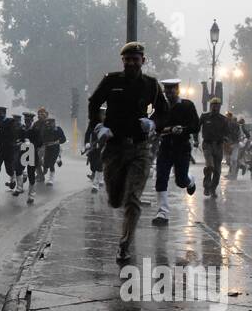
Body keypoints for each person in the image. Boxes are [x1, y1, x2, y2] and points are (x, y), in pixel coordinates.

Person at [87, 42, 170, 262]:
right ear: (122, 61)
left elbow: (163, 111)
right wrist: (98, 126)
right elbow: (94, 102)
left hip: (139, 148)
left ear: (143, 60)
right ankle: (120, 209)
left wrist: (153, 124)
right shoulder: (111, 81)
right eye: (127, 59)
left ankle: (125, 243)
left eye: (136, 59)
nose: (131, 63)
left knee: (133, 198)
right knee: (115, 199)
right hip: (114, 147)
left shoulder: (151, 85)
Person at [152, 79, 199, 225]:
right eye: (167, 89)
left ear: (177, 90)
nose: (169, 92)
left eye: (172, 89)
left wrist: (183, 129)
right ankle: (162, 212)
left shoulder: (187, 105)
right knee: (161, 177)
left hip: (182, 148)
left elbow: (195, 126)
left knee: (180, 181)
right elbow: (155, 125)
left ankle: (190, 181)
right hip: (165, 147)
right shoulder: (161, 107)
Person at [0, 106, 19, 202]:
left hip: (9, 150)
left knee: (9, 170)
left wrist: (0, 131)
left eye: (0, 113)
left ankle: (12, 178)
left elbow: (12, 135)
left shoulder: (11, 122)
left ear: (4, 113)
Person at [199, 97, 228, 198]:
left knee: (217, 171)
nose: (215, 107)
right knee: (210, 166)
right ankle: (207, 185)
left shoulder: (223, 119)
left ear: (220, 107)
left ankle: (213, 189)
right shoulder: (204, 117)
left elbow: (227, 132)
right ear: (210, 106)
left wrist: (226, 139)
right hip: (207, 144)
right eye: (213, 105)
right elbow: (196, 128)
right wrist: (194, 140)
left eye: (217, 105)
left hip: (218, 145)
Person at [15, 109, 42, 203]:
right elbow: (18, 138)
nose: (27, 122)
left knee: (31, 175)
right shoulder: (21, 129)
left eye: (28, 121)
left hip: (32, 153)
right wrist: (19, 142)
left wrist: (31, 143)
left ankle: (31, 196)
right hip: (23, 152)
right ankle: (19, 187)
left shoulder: (35, 130)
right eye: (25, 120)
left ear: (31, 121)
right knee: (18, 169)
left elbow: (40, 142)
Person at [38, 108, 67, 185]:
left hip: (56, 148)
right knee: (46, 164)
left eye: (51, 123)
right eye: (49, 123)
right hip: (48, 148)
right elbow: (43, 138)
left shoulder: (58, 129)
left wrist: (58, 141)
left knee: (51, 163)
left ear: (54, 123)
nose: (50, 124)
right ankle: (58, 160)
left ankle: (51, 179)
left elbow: (64, 139)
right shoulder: (46, 130)